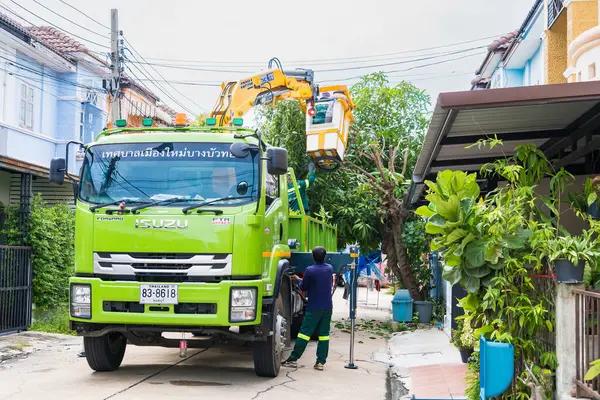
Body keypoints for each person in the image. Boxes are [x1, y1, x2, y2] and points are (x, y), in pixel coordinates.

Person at [282, 246, 334, 371]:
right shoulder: (329, 268)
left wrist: (297, 280)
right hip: (327, 307)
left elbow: (304, 287)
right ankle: (320, 362)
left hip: (314, 307)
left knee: (304, 334)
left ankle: (293, 359)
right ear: (325, 256)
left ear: (313, 257)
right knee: (324, 335)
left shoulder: (310, 270)